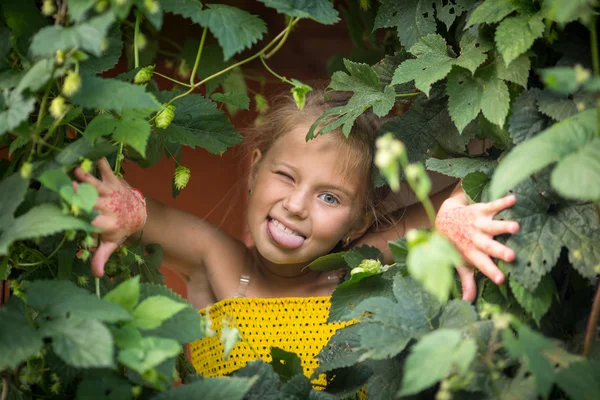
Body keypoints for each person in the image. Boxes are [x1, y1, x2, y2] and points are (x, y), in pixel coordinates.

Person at [73, 90, 519, 377]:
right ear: (253, 170)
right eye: (285, 176)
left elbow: (468, 195)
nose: (296, 205)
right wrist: (123, 212)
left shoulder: (362, 266)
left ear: (360, 222)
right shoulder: (217, 262)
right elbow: (144, 217)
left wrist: (454, 214)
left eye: (330, 198)